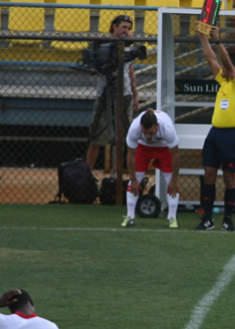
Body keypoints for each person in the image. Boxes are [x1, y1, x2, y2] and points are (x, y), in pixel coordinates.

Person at [196, 28, 235, 232]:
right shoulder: (223, 80)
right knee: (208, 174)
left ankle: (228, 219)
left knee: (229, 177)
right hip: (214, 134)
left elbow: (223, 61)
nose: (221, 68)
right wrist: (202, 37)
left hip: (231, 136)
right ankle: (207, 219)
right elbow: (210, 59)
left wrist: (218, 41)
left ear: (234, 68)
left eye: (226, 66)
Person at [86, 14, 139, 174]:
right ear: (114, 26)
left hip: (125, 94)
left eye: (129, 29)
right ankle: (86, 175)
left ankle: (118, 174)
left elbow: (131, 73)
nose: (126, 31)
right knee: (96, 137)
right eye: (123, 27)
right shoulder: (103, 45)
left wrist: (136, 97)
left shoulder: (128, 46)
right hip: (105, 94)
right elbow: (98, 67)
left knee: (123, 137)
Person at [125, 109, 181, 228]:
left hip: (164, 147)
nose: (148, 136)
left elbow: (176, 155)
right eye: (145, 132)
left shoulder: (167, 129)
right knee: (135, 180)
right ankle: (130, 216)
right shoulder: (134, 128)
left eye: (150, 132)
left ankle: (172, 218)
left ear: (157, 126)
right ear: (140, 126)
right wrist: (133, 179)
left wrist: (175, 179)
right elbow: (130, 155)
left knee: (172, 182)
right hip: (143, 147)